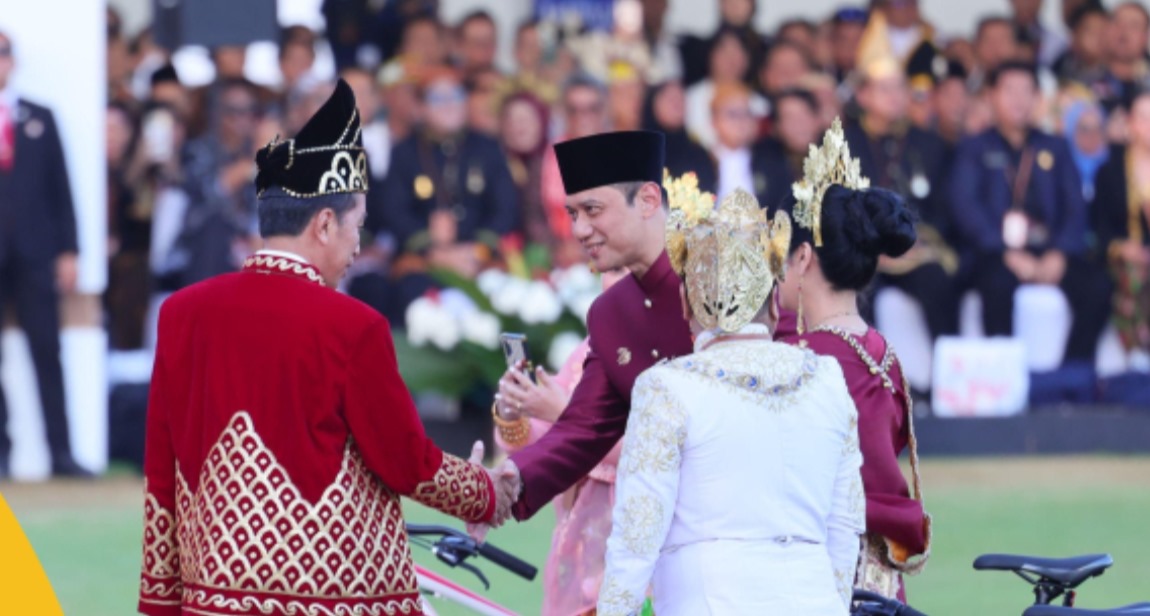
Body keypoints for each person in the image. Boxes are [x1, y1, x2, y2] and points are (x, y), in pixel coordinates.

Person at [137, 80, 510, 616]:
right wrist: (487, 492)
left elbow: (162, 467)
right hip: (334, 597)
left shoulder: (182, 314)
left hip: (211, 596)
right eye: (357, 226)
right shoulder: (353, 325)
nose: (359, 246)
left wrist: (160, 600)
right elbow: (405, 461)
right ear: (326, 222)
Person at [598, 180, 864, 615]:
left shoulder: (667, 388)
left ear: (685, 305)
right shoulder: (826, 378)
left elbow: (636, 538)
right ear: (775, 304)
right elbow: (845, 526)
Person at [482, 131, 695, 526]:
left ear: (648, 200)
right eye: (573, 214)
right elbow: (586, 427)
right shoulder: (611, 312)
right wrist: (507, 482)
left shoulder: (716, 279)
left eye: (592, 210)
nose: (579, 230)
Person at [772, 119, 931, 601]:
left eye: (777, 252)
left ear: (802, 258)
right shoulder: (886, 353)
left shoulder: (800, 362)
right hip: (884, 582)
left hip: (822, 573)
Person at [949, 61, 1110, 369]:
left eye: (1027, 91)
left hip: (1050, 249)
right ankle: (1004, 375)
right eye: (1009, 90)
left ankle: (1071, 376)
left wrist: (1060, 253)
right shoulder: (973, 147)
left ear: (1038, 98)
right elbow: (965, 206)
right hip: (995, 251)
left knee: (1098, 287)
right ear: (991, 96)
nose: (1018, 99)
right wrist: (1005, 251)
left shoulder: (1056, 146)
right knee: (995, 283)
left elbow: (1075, 206)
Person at [494, 268, 629, 616]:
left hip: (631, 540)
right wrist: (514, 413)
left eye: (630, 267)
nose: (617, 281)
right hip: (579, 541)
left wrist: (564, 412)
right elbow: (547, 441)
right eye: (613, 269)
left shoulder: (673, 348)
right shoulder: (591, 347)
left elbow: (653, 451)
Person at [0, 30, 90, 478]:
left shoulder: (40, 117)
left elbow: (62, 188)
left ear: (11, 61)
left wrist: (70, 250)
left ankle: (61, 452)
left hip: (36, 250)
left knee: (47, 350)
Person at [1091, 87, 1150, 371]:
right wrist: (1124, 249)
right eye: (1143, 117)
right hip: (1124, 257)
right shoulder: (1110, 170)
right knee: (1133, 276)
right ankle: (1138, 351)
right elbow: (1100, 226)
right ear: (1129, 122)